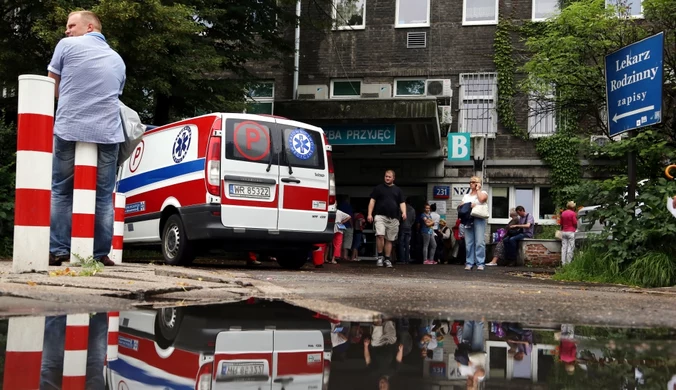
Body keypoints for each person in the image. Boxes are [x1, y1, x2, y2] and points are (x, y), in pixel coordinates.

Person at [47, 10, 126, 267]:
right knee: (103, 195)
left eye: (71, 25)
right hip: (107, 132)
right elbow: (114, 92)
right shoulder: (117, 59)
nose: (67, 30)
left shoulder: (66, 46)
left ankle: (58, 250)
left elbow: (51, 86)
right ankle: (101, 253)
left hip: (70, 126)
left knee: (61, 190)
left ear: (90, 27)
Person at [368, 170, 407, 268]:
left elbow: (402, 203)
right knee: (380, 235)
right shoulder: (378, 188)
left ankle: (387, 259)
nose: (387, 178)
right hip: (380, 216)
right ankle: (380, 257)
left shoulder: (398, 190)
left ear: (393, 178)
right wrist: (369, 214)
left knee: (389, 239)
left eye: (389, 177)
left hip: (393, 218)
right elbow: (372, 201)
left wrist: (404, 212)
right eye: (386, 176)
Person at [461, 176, 488, 271]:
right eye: (470, 182)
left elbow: (482, 200)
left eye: (474, 182)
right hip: (468, 219)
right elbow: (461, 206)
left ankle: (480, 263)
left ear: (478, 183)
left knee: (480, 241)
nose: (471, 183)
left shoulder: (483, 193)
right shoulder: (466, 196)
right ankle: (469, 262)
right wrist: (468, 205)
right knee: (469, 242)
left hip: (478, 218)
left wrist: (478, 189)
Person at [397, 199, 416, 264]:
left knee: (401, 244)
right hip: (409, 228)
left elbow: (399, 218)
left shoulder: (402, 209)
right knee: (407, 244)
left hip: (402, 227)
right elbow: (413, 219)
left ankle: (402, 259)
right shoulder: (413, 210)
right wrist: (410, 225)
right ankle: (407, 259)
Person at [560, 201, 578, 265]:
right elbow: (575, 223)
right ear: (573, 207)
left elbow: (561, 223)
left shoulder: (563, 213)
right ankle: (568, 263)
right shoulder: (573, 213)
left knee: (564, 248)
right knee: (570, 248)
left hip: (564, 232)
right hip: (571, 232)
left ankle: (563, 263)